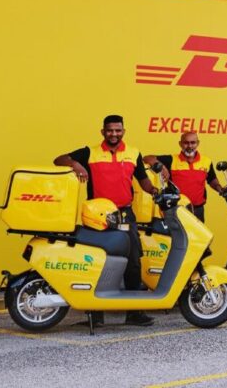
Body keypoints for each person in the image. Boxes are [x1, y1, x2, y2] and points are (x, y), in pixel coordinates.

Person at [53, 114, 158, 327]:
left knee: (133, 260)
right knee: (97, 261)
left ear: (123, 131)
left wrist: (156, 191)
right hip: (97, 216)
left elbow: (144, 181)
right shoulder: (89, 152)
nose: (114, 134)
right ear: (103, 132)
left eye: (118, 130)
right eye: (110, 130)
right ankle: (95, 316)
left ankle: (135, 313)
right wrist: (75, 164)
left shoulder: (133, 153)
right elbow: (58, 160)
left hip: (124, 214)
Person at [144, 132, 223, 221]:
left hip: (198, 210)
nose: (189, 146)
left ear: (198, 143)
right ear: (180, 144)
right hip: (176, 209)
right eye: (186, 143)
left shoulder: (206, 161)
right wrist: (161, 166)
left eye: (193, 142)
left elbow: (212, 180)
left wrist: (220, 188)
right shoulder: (171, 160)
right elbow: (147, 158)